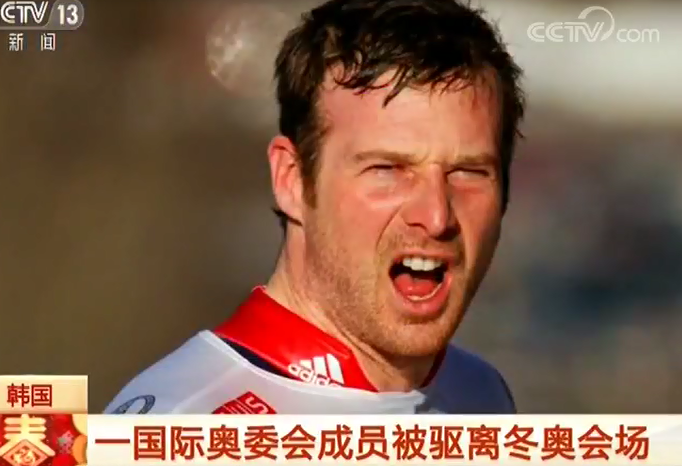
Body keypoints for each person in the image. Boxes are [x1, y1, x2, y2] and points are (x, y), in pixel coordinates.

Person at [106, 0, 525, 414]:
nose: (436, 217)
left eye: (469, 172)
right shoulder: (177, 423)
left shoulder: (480, 394)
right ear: (290, 179)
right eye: (387, 169)